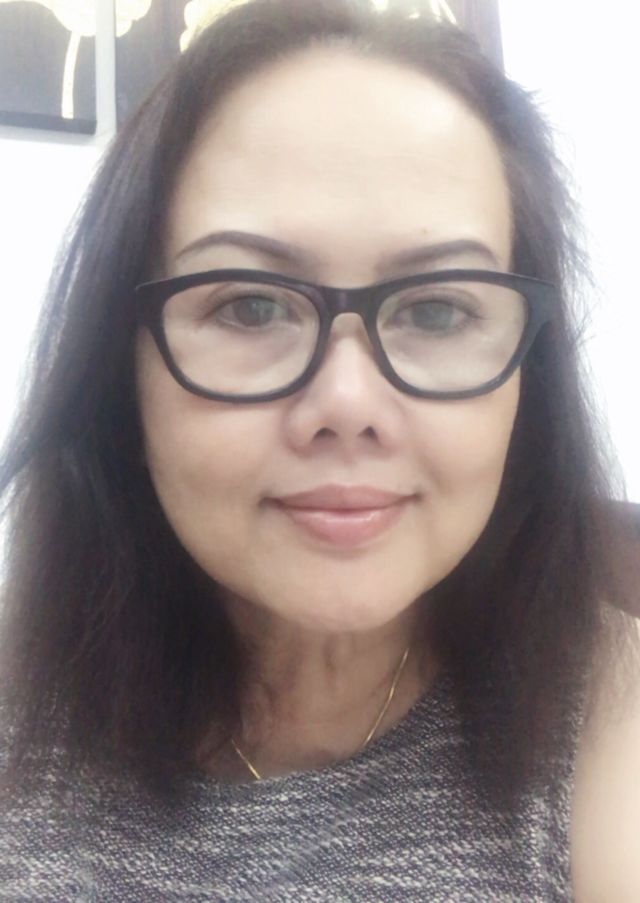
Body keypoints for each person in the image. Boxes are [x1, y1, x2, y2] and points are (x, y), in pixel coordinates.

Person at [0, 0, 639, 899]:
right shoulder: (21, 705)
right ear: (118, 370)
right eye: (250, 305)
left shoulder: (612, 709)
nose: (347, 403)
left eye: (438, 309)